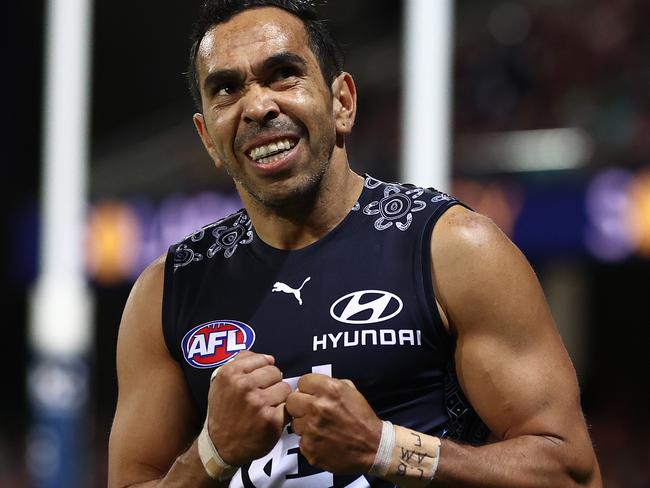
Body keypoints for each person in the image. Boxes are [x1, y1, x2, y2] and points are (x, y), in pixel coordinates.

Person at [108, 1, 602, 486]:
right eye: (226, 88)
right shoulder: (168, 292)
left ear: (342, 102)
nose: (258, 105)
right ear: (208, 139)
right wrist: (210, 454)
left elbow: (572, 474)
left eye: (283, 73)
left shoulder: (450, 248)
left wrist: (383, 449)